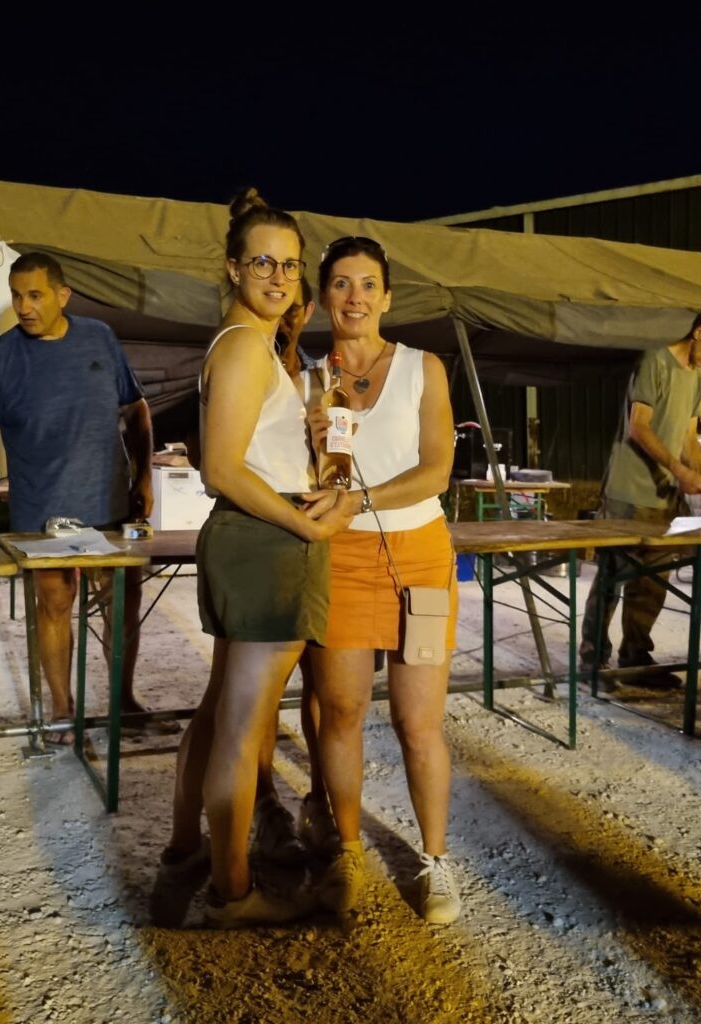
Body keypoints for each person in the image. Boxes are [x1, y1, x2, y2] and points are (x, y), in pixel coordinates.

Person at [166, 190, 351, 927]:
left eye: (290, 264)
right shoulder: (244, 345)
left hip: (255, 533)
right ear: (233, 267)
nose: (278, 276)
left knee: (223, 716)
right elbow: (222, 468)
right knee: (244, 729)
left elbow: (252, 459)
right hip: (266, 538)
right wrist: (305, 527)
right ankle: (232, 892)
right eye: (262, 262)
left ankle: (193, 855)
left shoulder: (253, 345)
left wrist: (313, 460)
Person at [306, 235, 461, 925]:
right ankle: (345, 849)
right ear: (323, 298)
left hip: (419, 557)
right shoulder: (311, 378)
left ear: (388, 296)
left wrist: (363, 501)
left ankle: (435, 862)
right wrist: (309, 453)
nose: (355, 297)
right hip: (339, 558)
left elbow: (436, 470)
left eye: (367, 284)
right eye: (341, 284)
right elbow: (311, 478)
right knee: (340, 713)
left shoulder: (425, 368)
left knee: (417, 722)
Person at [0, 252, 155, 742]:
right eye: (16, 295)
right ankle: (62, 708)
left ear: (63, 296)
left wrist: (143, 478)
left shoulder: (99, 336)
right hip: (42, 512)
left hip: (109, 505)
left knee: (122, 605)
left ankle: (123, 698)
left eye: (35, 295)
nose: (23, 306)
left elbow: (136, 407)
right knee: (55, 605)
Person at [579, 307, 701, 685]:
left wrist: (697, 472)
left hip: (665, 495)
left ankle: (635, 659)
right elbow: (639, 428)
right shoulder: (655, 361)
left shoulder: (695, 374)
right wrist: (679, 468)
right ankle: (592, 662)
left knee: (652, 581)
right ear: (700, 332)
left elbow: (686, 431)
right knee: (611, 578)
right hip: (627, 491)